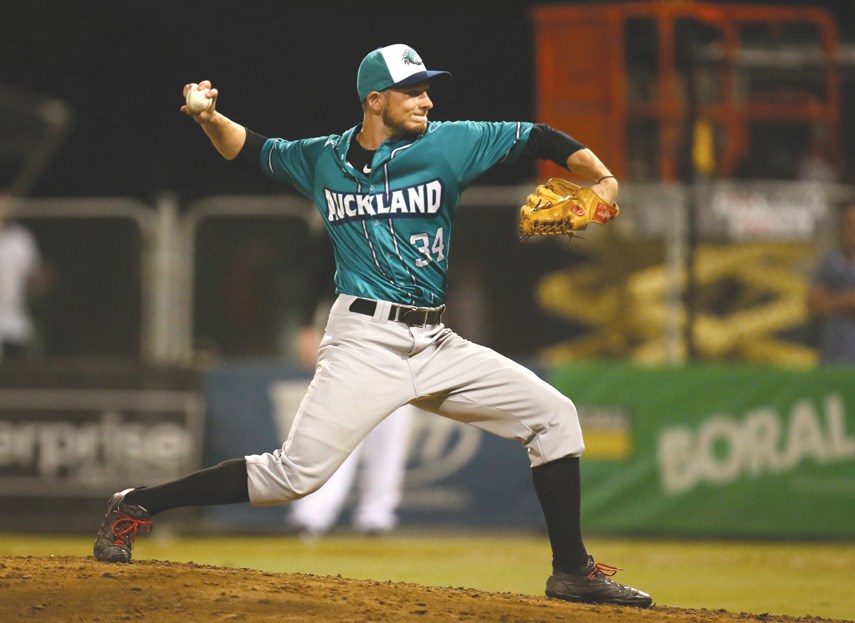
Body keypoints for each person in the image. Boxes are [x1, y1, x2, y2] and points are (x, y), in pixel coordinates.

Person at [93, 44, 652, 607]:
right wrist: (210, 118)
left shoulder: (450, 143)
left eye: (428, 89)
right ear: (376, 100)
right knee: (293, 477)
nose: (427, 100)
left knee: (554, 416)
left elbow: (539, 137)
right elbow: (250, 149)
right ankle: (136, 504)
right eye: (414, 91)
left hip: (436, 341)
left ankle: (573, 572)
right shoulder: (321, 158)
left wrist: (603, 179)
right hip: (362, 341)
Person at [288, 233, 414, 538]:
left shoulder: (416, 216)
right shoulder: (349, 212)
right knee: (336, 423)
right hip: (352, 327)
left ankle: (377, 516)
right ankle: (313, 514)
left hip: (406, 329)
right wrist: (306, 325)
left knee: (392, 425)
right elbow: (318, 273)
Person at [0, 194, 47, 362]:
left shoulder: (22, 238)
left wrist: (41, 279)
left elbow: (34, 273)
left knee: (17, 372)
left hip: (15, 321)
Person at [806, 202, 855, 364]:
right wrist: (846, 301)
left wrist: (830, 300)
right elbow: (813, 302)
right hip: (832, 351)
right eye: (849, 226)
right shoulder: (832, 261)